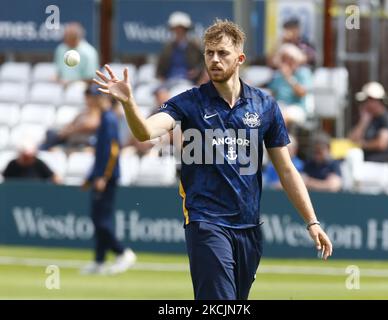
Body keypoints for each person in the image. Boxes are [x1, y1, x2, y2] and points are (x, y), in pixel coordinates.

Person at [93, 19, 332, 299]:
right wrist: (130, 104)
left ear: (240, 58)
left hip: (249, 228)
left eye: (222, 53)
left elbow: (287, 170)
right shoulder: (189, 102)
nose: (214, 59)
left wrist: (312, 221)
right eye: (209, 53)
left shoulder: (265, 106)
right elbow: (145, 132)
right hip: (205, 222)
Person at [81, 85, 136, 275]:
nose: (88, 101)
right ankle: (99, 260)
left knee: (101, 221)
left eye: (91, 97)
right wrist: (91, 177)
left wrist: (103, 177)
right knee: (97, 219)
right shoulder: (105, 118)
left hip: (107, 178)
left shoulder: (109, 118)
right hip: (101, 177)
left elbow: (113, 151)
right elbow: (101, 153)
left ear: (100, 98)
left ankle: (123, 252)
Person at [348, 82, 388, 164]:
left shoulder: (386, 119)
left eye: (368, 100)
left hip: (381, 163)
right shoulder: (367, 118)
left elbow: (381, 144)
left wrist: (362, 144)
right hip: (366, 161)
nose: (365, 103)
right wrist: (363, 122)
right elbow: (352, 140)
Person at [40, 84, 102, 151]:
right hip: (70, 140)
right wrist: (66, 131)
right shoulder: (84, 112)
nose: (88, 99)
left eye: (91, 96)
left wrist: (72, 130)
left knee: (51, 141)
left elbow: (90, 125)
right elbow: (72, 124)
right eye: (87, 96)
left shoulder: (100, 113)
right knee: (50, 133)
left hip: (82, 143)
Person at [268, 43, 313, 126]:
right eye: (284, 59)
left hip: (298, 108)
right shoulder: (278, 75)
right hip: (280, 105)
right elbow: (272, 93)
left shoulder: (303, 73)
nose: (287, 62)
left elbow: (302, 93)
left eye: (290, 59)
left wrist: (289, 77)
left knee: (281, 116)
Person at [156, 11, 204, 84]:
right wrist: (162, 83)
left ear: (186, 30)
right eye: (176, 29)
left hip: (188, 83)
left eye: (181, 29)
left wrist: (196, 72)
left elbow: (203, 64)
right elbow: (160, 71)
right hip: (169, 83)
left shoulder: (195, 47)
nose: (178, 32)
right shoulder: (167, 48)